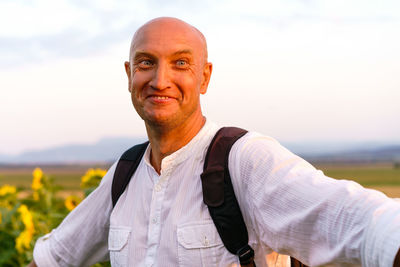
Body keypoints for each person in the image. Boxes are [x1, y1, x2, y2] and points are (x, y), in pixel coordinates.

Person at [29, 17, 400, 267]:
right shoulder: (124, 176)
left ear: (204, 77)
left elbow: (355, 219)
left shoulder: (243, 161)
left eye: (180, 64)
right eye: (146, 63)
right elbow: (54, 257)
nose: (160, 80)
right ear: (129, 75)